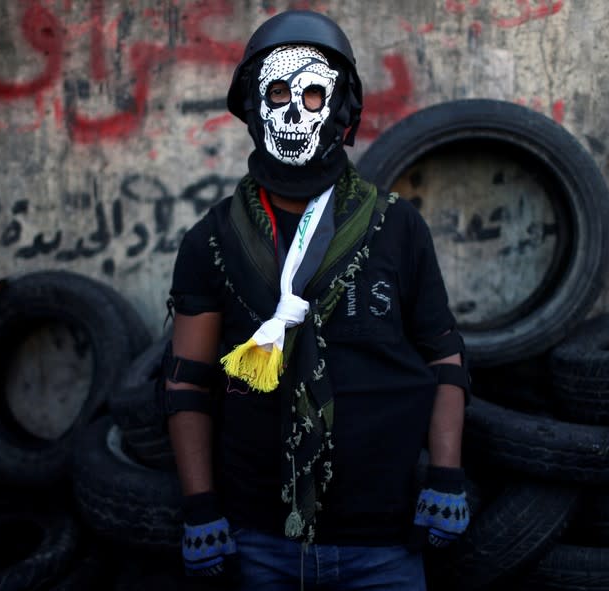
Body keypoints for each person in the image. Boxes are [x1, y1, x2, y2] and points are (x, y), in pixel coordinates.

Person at [164, 9, 471, 590]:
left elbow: (444, 356)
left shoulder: (398, 227)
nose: (293, 111)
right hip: (257, 542)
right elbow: (187, 381)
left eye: (312, 94)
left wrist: (447, 475)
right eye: (277, 92)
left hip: (383, 542)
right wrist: (200, 507)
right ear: (253, 106)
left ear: (342, 112)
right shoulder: (211, 240)